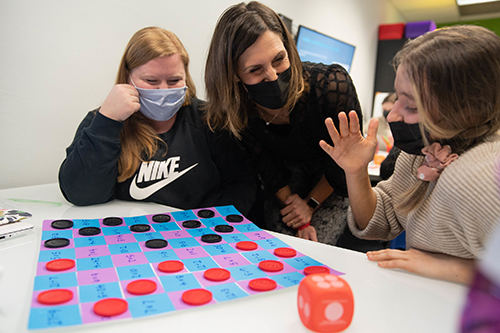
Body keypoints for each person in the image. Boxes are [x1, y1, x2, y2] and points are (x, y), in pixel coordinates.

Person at [320, 25, 500, 283]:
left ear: (467, 110)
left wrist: (448, 267)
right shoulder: (419, 151)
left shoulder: (483, 175)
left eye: (412, 106)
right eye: (397, 100)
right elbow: (381, 220)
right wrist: (356, 171)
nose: (393, 116)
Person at [203, 1, 363, 245]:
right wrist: (296, 210)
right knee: (278, 242)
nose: (272, 76)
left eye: (279, 60)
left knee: (316, 245)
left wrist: (310, 205)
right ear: (234, 75)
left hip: (332, 178)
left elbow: (344, 164)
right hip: (285, 183)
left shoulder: (331, 86)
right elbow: (267, 167)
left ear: (289, 48)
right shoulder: (239, 109)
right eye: (255, 70)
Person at [59, 27, 256, 215]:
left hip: (197, 239)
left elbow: (242, 183)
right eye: (151, 81)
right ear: (129, 78)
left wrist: (214, 228)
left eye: (174, 80)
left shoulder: (209, 119)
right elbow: (81, 194)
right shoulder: (102, 122)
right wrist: (108, 121)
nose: (164, 91)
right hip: (130, 237)